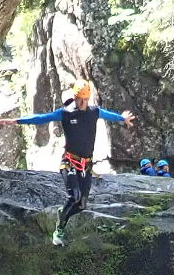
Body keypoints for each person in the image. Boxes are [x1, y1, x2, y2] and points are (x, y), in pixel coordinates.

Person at [10, 80, 136, 240]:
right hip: (69, 163)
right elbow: (42, 118)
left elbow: (109, 115)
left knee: (82, 205)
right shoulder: (66, 113)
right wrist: (17, 121)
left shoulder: (94, 111)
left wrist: (122, 118)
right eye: (80, 99)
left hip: (86, 165)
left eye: (86, 99)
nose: (83, 102)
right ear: (75, 98)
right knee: (74, 197)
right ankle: (59, 230)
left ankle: (63, 213)